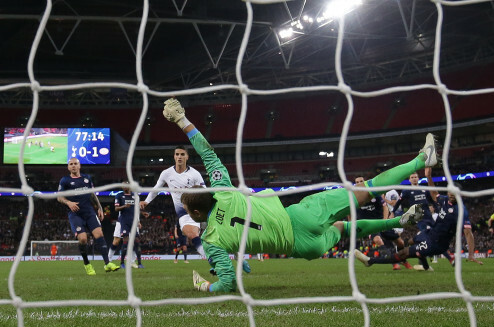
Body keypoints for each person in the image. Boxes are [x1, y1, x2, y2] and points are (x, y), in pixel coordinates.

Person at [160, 98, 430, 292]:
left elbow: (228, 282)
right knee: (366, 189)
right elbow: (207, 152)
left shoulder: (211, 242)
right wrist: (182, 121)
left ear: (196, 215)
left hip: (300, 248)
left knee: (344, 228)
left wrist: (206, 285)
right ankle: (420, 162)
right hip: (300, 216)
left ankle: (398, 222)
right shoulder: (223, 190)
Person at [355, 174, 480, 270]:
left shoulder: (461, 211)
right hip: (430, 232)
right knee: (410, 241)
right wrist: (429, 175)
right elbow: (434, 194)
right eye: (450, 192)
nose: (451, 195)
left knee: (405, 253)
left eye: (454, 193)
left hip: (436, 243)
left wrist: (471, 254)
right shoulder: (445, 199)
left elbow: (468, 233)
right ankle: (426, 266)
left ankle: (371, 261)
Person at [139, 144, 208, 259]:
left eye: (182, 154)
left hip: (198, 208)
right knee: (191, 234)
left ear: (187, 157)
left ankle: (235, 255)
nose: (179, 157)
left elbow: (205, 191)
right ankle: (211, 259)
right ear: (174, 157)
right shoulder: (167, 173)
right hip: (183, 211)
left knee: (213, 236)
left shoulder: (195, 174)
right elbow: (157, 188)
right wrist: (147, 201)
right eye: (177, 154)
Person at [57, 157, 120, 275]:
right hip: (75, 214)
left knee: (99, 234)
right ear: (68, 167)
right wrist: (68, 202)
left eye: (76, 163)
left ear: (79, 166)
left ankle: (107, 264)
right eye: (71, 164)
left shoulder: (87, 178)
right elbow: (59, 197)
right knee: (83, 239)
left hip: (89, 212)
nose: (73, 166)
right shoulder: (64, 180)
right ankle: (87, 264)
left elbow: (92, 194)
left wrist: (100, 207)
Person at [352, 177, 412, 270]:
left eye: (361, 181)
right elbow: (349, 212)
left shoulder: (373, 193)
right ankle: (394, 264)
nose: (359, 183)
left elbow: (385, 207)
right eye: (357, 182)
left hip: (381, 221)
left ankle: (404, 261)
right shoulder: (354, 198)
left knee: (400, 243)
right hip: (369, 225)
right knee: (378, 240)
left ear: (364, 182)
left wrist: (384, 221)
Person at [114, 182, 145, 269]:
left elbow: (136, 210)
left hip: (133, 221)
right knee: (125, 242)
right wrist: (124, 206)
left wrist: (139, 221)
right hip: (124, 222)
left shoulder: (135, 196)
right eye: (123, 185)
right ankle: (122, 263)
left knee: (137, 242)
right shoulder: (119, 196)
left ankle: (139, 263)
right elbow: (116, 208)